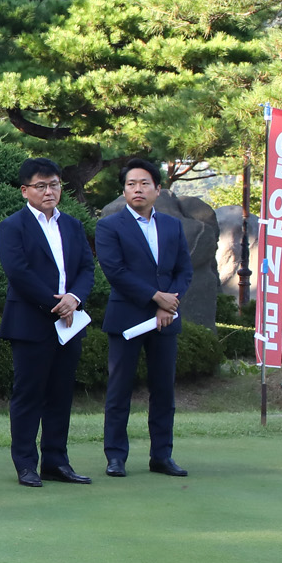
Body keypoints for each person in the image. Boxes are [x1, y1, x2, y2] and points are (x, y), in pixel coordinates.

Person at [0, 158, 96, 487]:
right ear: (25, 191)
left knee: (61, 394)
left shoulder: (73, 225)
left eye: (54, 184)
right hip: (31, 321)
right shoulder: (13, 226)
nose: (49, 191)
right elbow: (18, 272)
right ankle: (26, 464)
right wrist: (57, 304)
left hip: (70, 322)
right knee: (29, 395)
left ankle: (56, 461)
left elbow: (86, 268)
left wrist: (74, 298)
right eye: (41, 186)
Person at [96, 158, 193, 477]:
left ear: (157, 189)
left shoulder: (172, 226)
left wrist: (168, 304)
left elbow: (184, 270)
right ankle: (115, 457)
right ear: (124, 191)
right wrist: (156, 297)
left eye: (144, 183)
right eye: (131, 184)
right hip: (126, 317)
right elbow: (115, 271)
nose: (138, 189)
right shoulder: (110, 226)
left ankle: (162, 456)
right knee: (119, 389)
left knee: (163, 390)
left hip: (166, 319)